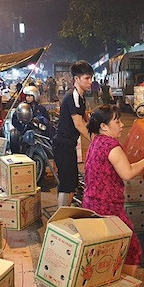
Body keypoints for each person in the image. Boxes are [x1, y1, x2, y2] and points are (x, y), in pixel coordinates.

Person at [83, 105, 144, 275]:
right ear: (104, 126)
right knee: (132, 250)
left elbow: (124, 167)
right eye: (117, 121)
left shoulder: (96, 142)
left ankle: (105, 283)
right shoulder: (112, 146)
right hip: (109, 208)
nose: (122, 125)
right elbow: (127, 173)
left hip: (91, 204)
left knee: (103, 249)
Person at [53, 60, 93, 207]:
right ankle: (60, 220)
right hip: (63, 145)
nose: (90, 82)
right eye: (86, 78)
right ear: (76, 79)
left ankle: (65, 214)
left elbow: (85, 120)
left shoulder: (81, 97)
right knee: (67, 184)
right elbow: (78, 123)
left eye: (91, 78)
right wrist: (94, 140)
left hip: (68, 145)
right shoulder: (73, 96)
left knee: (72, 182)